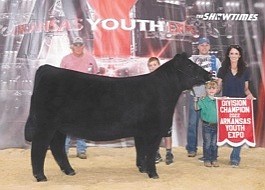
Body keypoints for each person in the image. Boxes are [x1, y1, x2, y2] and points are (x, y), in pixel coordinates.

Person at [61, 36, 98, 159]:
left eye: (80, 45)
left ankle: (81, 149)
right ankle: (64, 149)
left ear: (83, 46)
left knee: (82, 122)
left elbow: (95, 75)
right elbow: (60, 78)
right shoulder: (66, 60)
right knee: (67, 122)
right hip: (69, 96)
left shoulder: (90, 59)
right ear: (72, 46)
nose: (78, 47)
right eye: (76, 45)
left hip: (85, 96)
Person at [217, 44, 254, 167]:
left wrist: (249, 95)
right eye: (231, 53)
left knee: (238, 130)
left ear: (240, 55)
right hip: (226, 104)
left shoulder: (246, 70)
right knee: (222, 129)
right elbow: (218, 87)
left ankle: (235, 157)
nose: (234, 55)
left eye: (236, 53)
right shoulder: (222, 69)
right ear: (228, 55)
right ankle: (212, 155)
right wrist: (211, 93)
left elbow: (246, 89)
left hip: (240, 104)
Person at [186, 37, 221, 159]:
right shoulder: (191, 60)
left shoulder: (215, 61)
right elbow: (186, 77)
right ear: (198, 47)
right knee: (192, 123)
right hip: (195, 95)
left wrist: (218, 90)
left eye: (206, 45)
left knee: (209, 124)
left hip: (210, 98)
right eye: (202, 45)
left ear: (210, 47)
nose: (204, 47)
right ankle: (191, 148)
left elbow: (218, 79)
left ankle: (210, 150)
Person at [147, 57, 174, 165]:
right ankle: (156, 152)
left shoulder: (166, 79)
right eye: (151, 65)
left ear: (159, 65)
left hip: (164, 110)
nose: (153, 67)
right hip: (152, 111)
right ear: (148, 68)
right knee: (154, 133)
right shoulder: (147, 80)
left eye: (155, 64)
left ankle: (169, 152)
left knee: (167, 133)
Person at [194, 80, 219, 167]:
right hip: (207, 125)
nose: (211, 90)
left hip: (216, 125)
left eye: (213, 88)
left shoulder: (218, 101)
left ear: (217, 89)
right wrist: (196, 100)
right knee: (207, 143)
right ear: (206, 90)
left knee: (214, 143)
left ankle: (214, 159)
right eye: (209, 88)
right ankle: (207, 159)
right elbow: (196, 108)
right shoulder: (203, 100)